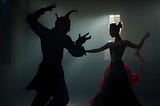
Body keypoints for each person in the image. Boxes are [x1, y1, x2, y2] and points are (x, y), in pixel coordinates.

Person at [25, 3, 91, 106]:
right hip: (55, 72)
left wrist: (45, 9)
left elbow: (30, 19)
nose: (69, 29)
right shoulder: (63, 38)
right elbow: (75, 52)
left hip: (46, 70)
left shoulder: (46, 33)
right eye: (68, 26)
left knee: (45, 98)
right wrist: (79, 44)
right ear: (62, 26)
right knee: (60, 98)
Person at [86, 22, 150, 106]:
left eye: (110, 31)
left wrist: (144, 38)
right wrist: (86, 51)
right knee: (110, 87)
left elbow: (138, 47)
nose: (109, 33)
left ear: (115, 31)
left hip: (119, 68)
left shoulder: (123, 42)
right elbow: (98, 50)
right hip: (114, 68)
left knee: (121, 88)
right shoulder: (111, 44)